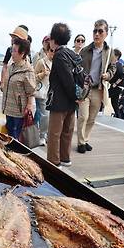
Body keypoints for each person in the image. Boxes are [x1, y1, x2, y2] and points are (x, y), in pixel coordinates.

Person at [76, 19, 115, 154]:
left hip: (98, 90)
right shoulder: (85, 50)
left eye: (100, 31)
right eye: (95, 31)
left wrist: (108, 75)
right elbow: (77, 68)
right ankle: (80, 142)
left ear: (105, 33)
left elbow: (113, 67)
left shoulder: (109, 52)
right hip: (84, 89)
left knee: (92, 118)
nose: (96, 34)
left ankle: (85, 139)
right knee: (83, 116)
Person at [46, 23, 78, 167]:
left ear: (53, 39)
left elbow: (67, 80)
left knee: (54, 134)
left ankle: (54, 162)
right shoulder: (72, 54)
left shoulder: (59, 55)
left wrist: (73, 94)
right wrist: (76, 97)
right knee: (67, 132)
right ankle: (65, 158)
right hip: (72, 103)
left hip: (60, 101)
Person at [2, 38, 36, 139]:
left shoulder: (27, 70)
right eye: (11, 50)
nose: (12, 53)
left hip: (19, 110)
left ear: (22, 53)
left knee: (17, 135)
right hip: (8, 108)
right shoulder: (11, 66)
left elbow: (31, 91)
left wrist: (29, 105)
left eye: (14, 51)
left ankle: (16, 153)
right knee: (10, 132)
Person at [34, 42, 53, 146]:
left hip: (52, 93)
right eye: (51, 51)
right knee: (44, 115)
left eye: (55, 51)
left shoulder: (57, 62)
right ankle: (41, 136)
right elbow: (33, 77)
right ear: (47, 51)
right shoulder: (41, 62)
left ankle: (43, 135)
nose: (53, 53)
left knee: (45, 115)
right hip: (41, 93)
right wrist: (42, 74)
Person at [1, 25, 29, 91]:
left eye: (14, 37)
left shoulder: (27, 54)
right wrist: (2, 82)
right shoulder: (9, 50)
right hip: (9, 84)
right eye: (12, 37)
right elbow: (4, 66)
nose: (12, 39)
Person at [108, 48, 124, 119]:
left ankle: (119, 116)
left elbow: (122, 75)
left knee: (105, 95)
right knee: (114, 103)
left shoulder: (118, 65)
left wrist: (115, 83)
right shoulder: (114, 64)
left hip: (117, 87)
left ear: (116, 56)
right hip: (115, 86)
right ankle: (119, 116)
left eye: (112, 54)